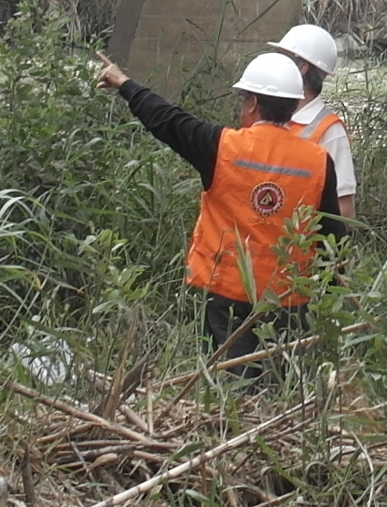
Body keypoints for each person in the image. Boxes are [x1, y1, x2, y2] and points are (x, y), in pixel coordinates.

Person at [95, 47, 344, 364]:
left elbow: (167, 120)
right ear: (295, 104)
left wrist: (125, 84)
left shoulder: (222, 147)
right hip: (287, 300)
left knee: (230, 387)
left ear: (252, 102)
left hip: (225, 293)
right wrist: (332, 302)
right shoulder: (319, 161)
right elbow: (333, 238)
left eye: (244, 99)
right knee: (278, 388)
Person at [268, 22, 357, 221]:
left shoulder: (329, 131)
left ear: (302, 68)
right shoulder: (266, 114)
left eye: (281, 58)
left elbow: (344, 211)